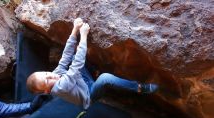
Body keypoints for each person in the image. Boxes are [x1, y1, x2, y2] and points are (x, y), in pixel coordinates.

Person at [26, 18, 158, 110]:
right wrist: (83, 36)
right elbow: (76, 65)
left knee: (71, 57)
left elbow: (65, 57)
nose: (50, 76)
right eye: (47, 80)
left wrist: (75, 30)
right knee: (105, 78)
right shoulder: (60, 87)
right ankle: (139, 87)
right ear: (47, 90)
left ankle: (94, 72)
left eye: (46, 73)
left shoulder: (55, 75)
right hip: (89, 94)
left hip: (81, 82)